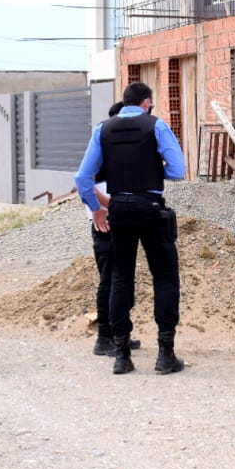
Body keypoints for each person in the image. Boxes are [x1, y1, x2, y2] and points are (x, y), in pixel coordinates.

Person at [74, 82, 185, 374]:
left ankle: (121, 355)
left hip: (118, 211)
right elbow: (177, 171)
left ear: (125, 102)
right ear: (147, 102)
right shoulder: (156, 126)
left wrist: (97, 210)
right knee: (164, 278)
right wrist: (149, 165)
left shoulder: (103, 129)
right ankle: (165, 355)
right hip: (150, 209)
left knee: (120, 279)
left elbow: (82, 178)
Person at [88, 102, 139, 357]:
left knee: (123, 280)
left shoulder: (116, 145)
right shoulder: (101, 143)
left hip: (121, 220)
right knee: (110, 281)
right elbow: (83, 180)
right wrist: (110, 206)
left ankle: (121, 334)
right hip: (105, 223)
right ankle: (104, 337)